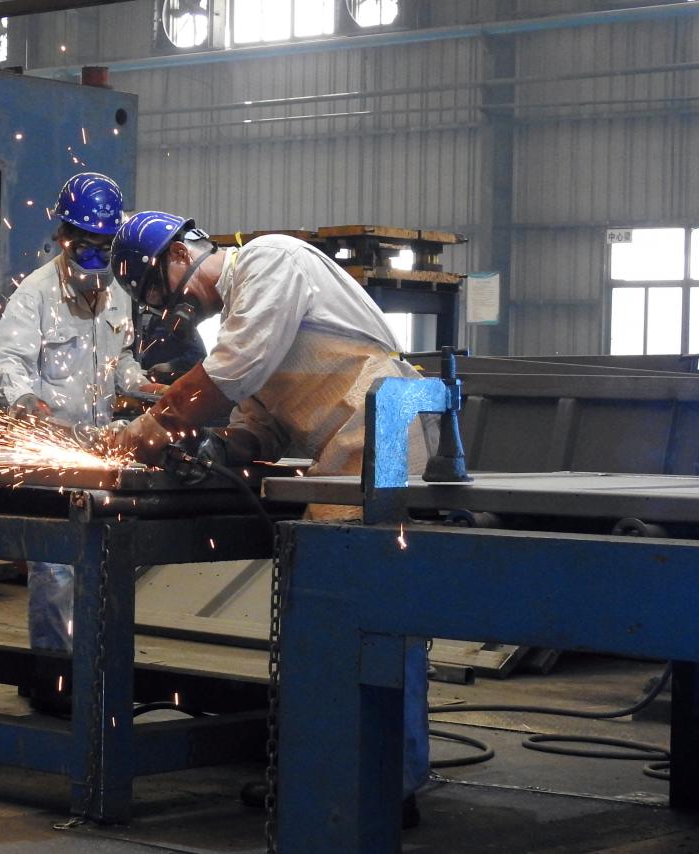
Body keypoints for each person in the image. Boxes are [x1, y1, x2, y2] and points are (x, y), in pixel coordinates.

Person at [109, 211, 436, 825]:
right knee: (326, 613)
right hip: (346, 450)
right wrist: (215, 446)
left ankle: (385, 783)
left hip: (385, 428)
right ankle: (333, 769)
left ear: (178, 256)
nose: (177, 307)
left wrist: (151, 426)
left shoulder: (270, 260)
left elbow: (233, 371)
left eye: (163, 291)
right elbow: (255, 419)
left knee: (367, 610)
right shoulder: (240, 313)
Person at [0, 173, 155, 714]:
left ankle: (92, 667)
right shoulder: (35, 294)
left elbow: (121, 363)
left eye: (104, 248)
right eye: (86, 246)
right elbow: (4, 362)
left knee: (100, 564)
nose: (95, 258)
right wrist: (24, 399)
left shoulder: (119, 298)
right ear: (64, 237)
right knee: (56, 570)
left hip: (101, 449)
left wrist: (147, 386)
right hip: (49, 448)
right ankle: (52, 677)